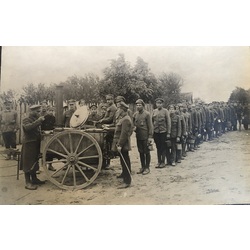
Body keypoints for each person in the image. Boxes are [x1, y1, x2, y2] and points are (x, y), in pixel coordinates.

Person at [20, 105, 46, 190]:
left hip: (35, 143)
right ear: (31, 112)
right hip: (29, 143)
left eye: (39, 111)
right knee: (28, 162)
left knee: (34, 161)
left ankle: (34, 179)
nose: (39, 113)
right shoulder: (26, 120)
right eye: (37, 112)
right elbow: (28, 128)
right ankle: (28, 183)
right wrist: (38, 121)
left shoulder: (35, 119)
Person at [112, 102, 133, 188]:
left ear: (123, 110)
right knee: (123, 160)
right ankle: (124, 175)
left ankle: (127, 181)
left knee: (125, 161)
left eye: (119, 108)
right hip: (121, 143)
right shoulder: (123, 118)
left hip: (123, 144)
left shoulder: (126, 119)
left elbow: (124, 134)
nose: (118, 110)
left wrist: (120, 145)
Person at [133, 99, 153, 175]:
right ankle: (143, 167)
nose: (138, 106)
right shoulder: (135, 115)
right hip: (138, 136)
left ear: (143, 106)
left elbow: (150, 126)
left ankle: (147, 168)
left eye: (140, 105)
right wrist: (134, 128)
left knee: (146, 152)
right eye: (137, 105)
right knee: (140, 152)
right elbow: (133, 124)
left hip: (145, 137)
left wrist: (150, 137)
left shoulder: (147, 114)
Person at [152, 98, 171, 168]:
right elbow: (152, 122)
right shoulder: (154, 111)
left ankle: (163, 162)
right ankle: (159, 161)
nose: (158, 104)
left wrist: (168, 133)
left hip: (163, 132)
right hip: (156, 132)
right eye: (157, 103)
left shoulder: (165, 111)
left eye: (160, 103)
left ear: (162, 104)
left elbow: (168, 123)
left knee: (163, 147)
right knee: (158, 147)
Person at [41, 106, 56, 171]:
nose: (51, 112)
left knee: (51, 150)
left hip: (51, 134)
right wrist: (43, 131)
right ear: (47, 111)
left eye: (52, 111)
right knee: (44, 151)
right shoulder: (44, 118)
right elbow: (41, 126)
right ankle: (43, 165)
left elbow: (54, 126)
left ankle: (50, 165)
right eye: (50, 111)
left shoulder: (54, 118)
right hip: (45, 135)